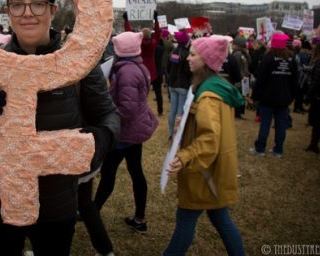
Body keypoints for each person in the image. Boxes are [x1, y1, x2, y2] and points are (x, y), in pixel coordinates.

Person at [0, 0, 120, 256]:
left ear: (53, 10)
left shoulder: (79, 65)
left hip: (57, 205)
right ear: (7, 12)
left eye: (37, 4)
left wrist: (95, 144)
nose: (27, 13)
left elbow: (110, 118)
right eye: (18, 4)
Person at [164, 35, 245, 256]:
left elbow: (210, 138)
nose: (187, 58)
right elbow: (211, 126)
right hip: (213, 171)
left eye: (193, 54)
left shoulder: (209, 96)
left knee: (186, 220)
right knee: (220, 218)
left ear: (206, 61)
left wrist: (185, 156)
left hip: (204, 172)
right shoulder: (214, 87)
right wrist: (187, 120)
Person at [94, 31, 158, 236]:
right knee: (135, 172)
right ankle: (140, 218)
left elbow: (127, 110)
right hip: (134, 130)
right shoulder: (136, 66)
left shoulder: (127, 72)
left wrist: (109, 121)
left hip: (125, 133)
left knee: (108, 173)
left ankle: (92, 212)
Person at [250, 33, 297, 157]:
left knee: (265, 123)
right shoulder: (291, 59)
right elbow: (294, 80)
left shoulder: (268, 58)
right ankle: (278, 150)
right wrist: (291, 96)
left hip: (268, 97)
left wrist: (256, 95)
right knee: (281, 124)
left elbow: (260, 78)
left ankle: (260, 149)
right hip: (284, 98)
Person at [166, 31, 192, 141]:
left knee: (173, 110)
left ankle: (172, 133)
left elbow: (168, 68)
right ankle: (178, 136)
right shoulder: (187, 54)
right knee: (180, 111)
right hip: (183, 86)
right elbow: (188, 71)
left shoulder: (173, 52)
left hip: (172, 85)